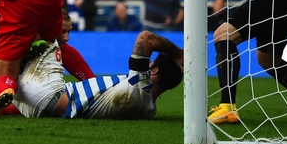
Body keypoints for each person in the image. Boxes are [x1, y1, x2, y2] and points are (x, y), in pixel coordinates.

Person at [13, 30, 182, 119]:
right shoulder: (149, 110)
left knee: (43, 34)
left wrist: (177, 53)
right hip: (38, 110)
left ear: (154, 71)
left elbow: (146, 39)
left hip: (49, 94)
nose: (147, 64)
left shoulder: (139, 85)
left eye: (150, 64)